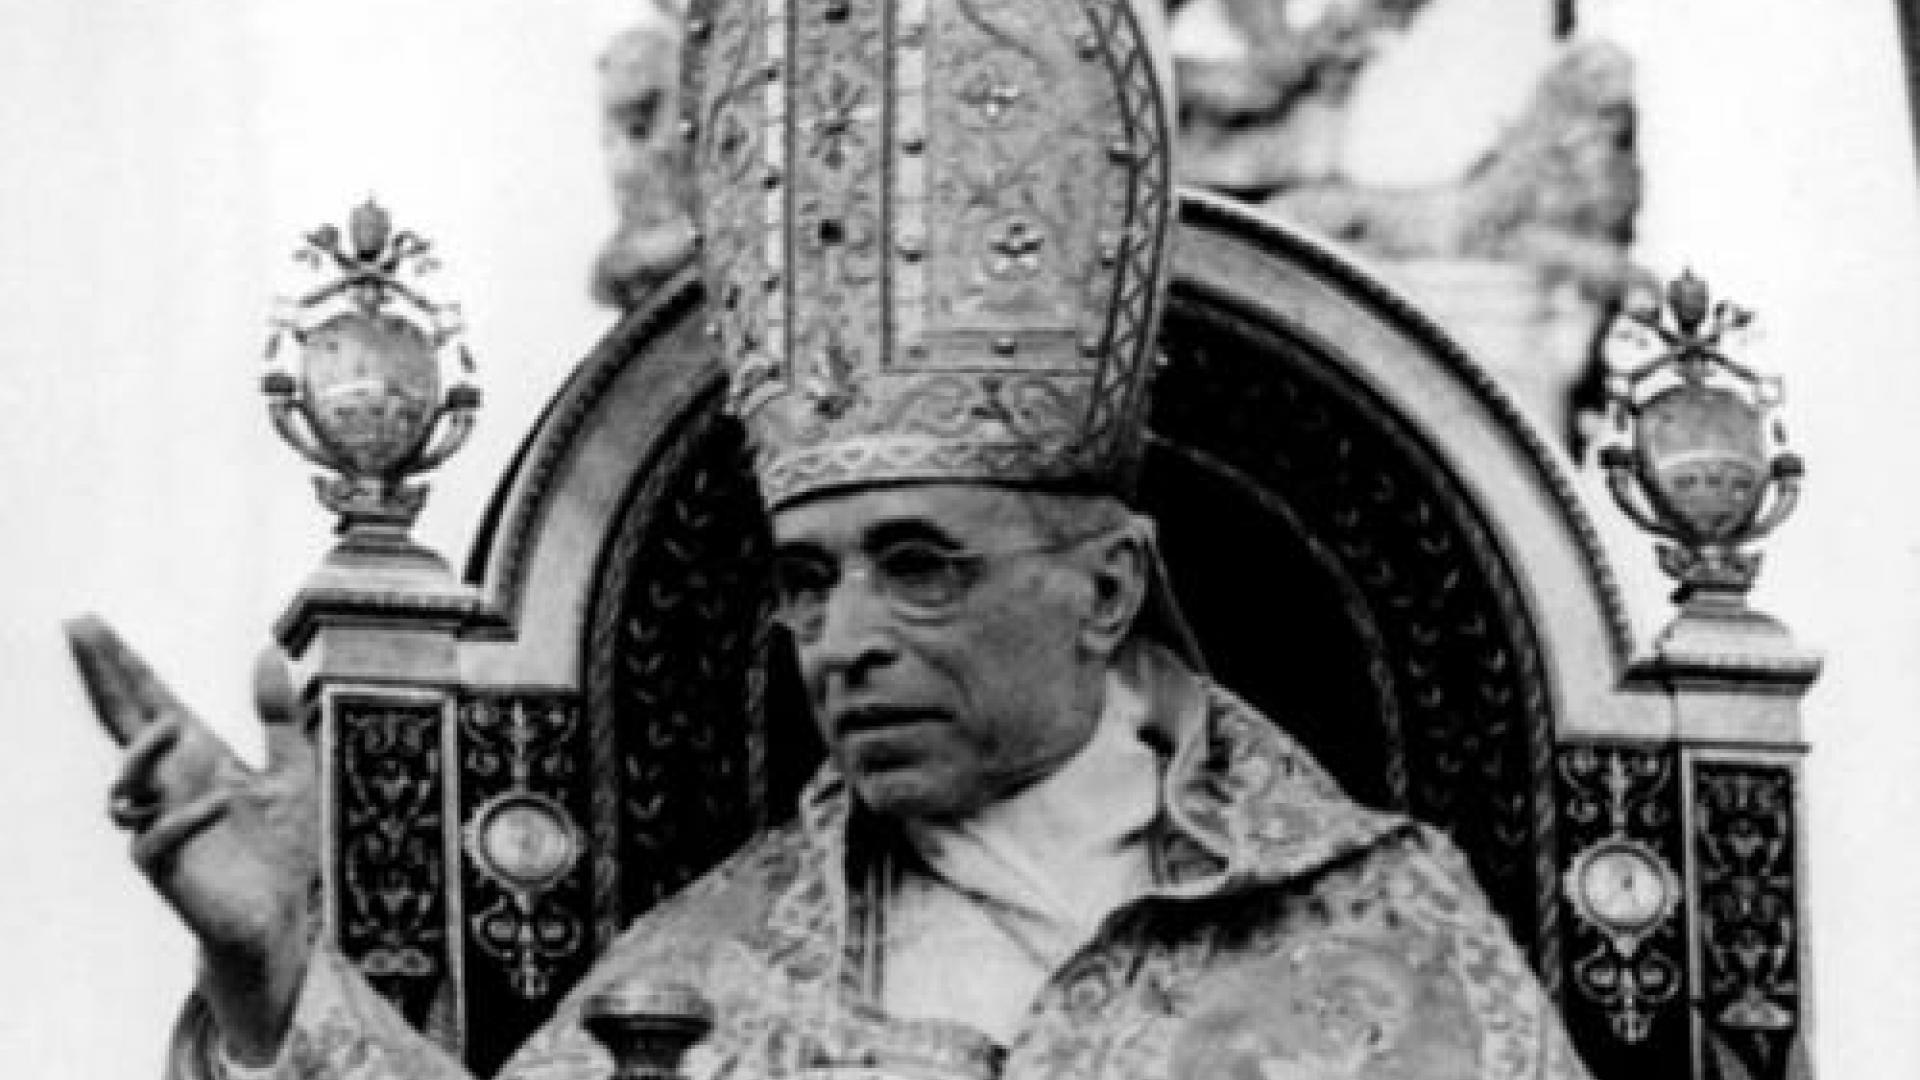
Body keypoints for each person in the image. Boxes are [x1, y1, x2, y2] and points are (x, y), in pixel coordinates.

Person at [70, 1, 1593, 1077]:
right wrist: (272, 979)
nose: (845, 641)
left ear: (1108, 588)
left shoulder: (1387, 928)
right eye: (808, 580)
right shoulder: (711, 974)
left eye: (919, 566)